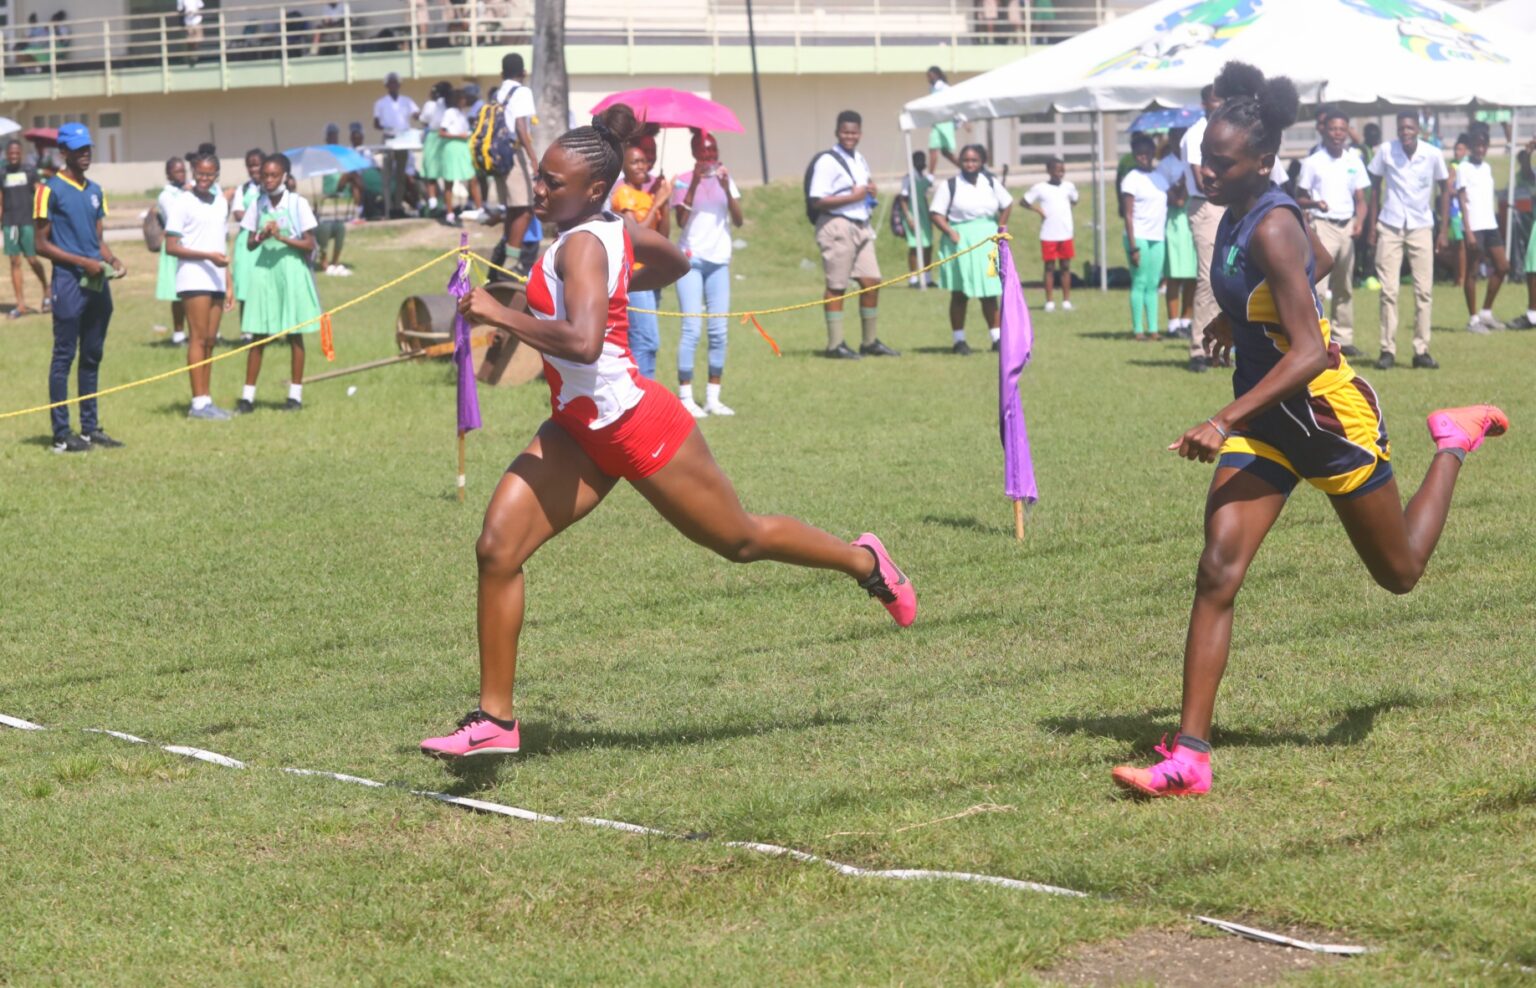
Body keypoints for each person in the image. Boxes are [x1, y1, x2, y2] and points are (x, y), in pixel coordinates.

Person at [420, 104, 917, 759]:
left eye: (552, 184)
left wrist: (500, 314)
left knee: (739, 541)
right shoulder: (602, 229)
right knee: (497, 549)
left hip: (633, 424)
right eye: (539, 177)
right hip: (577, 430)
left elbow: (585, 340)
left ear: (592, 190)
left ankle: (865, 561)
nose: (538, 190)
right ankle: (495, 721)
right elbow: (676, 261)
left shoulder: (586, 244)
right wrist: (504, 323)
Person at [1112, 62, 1508, 801]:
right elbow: (1315, 261)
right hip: (1267, 423)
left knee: (1400, 573)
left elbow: (1311, 351)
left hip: (1325, 419)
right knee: (1217, 569)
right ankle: (1190, 757)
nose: (1204, 168)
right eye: (1203, 155)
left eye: (1220, 161)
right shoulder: (1238, 209)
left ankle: (1453, 441)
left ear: (1259, 162)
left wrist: (1219, 416)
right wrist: (1241, 315)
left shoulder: (1269, 221)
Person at [35, 123, 127, 454]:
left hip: (97, 282)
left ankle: (90, 428)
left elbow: (96, 238)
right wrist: (79, 262)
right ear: (64, 152)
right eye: (78, 149)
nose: (85, 153)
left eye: (88, 147)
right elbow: (41, 244)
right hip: (68, 282)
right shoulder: (49, 190)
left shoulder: (96, 190)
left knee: (92, 354)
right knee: (64, 357)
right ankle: (61, 434)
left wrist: (112, 260)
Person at [808, 110, 898, 360]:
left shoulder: (859, 158)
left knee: (872, 281)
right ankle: (835, 345)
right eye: (846, 132)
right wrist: (854, 197)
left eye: (854, 132)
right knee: (837, 285)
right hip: (837, 225)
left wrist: (870, 192)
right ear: (837, 132)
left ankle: (869, 341)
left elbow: (861, 187)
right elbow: (817, 200)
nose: (850, 136)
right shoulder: (827, 161)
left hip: (861, 224)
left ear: (860, 133)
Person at [236, 153, 320, 414]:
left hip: (291, 271)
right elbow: (249, 244)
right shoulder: (258, 204)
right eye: (265, 176)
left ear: (284, 176)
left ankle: (295, 395)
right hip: (264, 271)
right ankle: (247, 397)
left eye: (274, 175)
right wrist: (262, 235)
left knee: (294, 335)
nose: (269, 180)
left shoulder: (297, 204)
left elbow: (309, 243)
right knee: (258, 334)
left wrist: (282, 238)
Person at [1368, 112, 1448, 371]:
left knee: (1423, 291)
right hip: (1391, 224)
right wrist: (1372, 226)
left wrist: (1443, 229)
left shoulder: (1433, 154)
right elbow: (1375, 186)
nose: (1406, 132)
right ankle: (1387, 349)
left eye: (1410, 127)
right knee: (1388, 291)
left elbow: (1445, 189)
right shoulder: (1385, 151)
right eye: (1402, 128)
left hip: (1421, 225)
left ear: (1418, 129)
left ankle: (1421, 350)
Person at [673, 129, 743, 416]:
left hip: (718, 261)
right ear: (694, 154)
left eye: (713, 151)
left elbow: (738, 220)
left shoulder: (726, 178)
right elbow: (680, 221)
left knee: (719, 331)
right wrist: (694, 185)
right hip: (690, 261)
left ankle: (713, 396)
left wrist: (726, 188)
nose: (710, 157)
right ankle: (685, 396)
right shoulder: (682, 179)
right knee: (692, 328)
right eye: (704, 152)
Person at [165, 152, 235, 420]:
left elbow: (221, 244)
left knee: (210, 341)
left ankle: (207, 399)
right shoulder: (183, 202)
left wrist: (229, 283)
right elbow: (172, 246)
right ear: (194, 172)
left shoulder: (220, 203)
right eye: (201, 174)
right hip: (194, 278)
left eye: (210, 174)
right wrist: (207, 256)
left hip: (216, 278)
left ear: (217, 175)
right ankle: (197, 403)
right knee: (197, 337)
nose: (205, 179)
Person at [1294, 110, 1369, 358]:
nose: (1338, 134)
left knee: (1344, 284)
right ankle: (1317, 337)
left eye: (1342, 129)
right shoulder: (1313, 162)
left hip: (1346, 225)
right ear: (1324, 130)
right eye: (1333, 129)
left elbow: (1361, 199)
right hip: (1322, 226)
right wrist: (1316, 205)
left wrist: (1360, 221)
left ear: (1347, 132)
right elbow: (1299, 197)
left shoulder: (1353, 161)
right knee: (1318, 285)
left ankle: (1343, 337)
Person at [929, 144, 1012, 355]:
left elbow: (1008, 204)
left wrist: (1000, 230)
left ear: (982, 162)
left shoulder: (990, 182)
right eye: (966, 160)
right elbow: (936, 213)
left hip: (987, 239)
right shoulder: (950, 185)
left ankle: (997, 338)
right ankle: (959, 340)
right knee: (960, 293)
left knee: (989, 292)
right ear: (960, 162)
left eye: (975, 160)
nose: (970, 164)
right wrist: (950, 231)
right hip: (960, 240)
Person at [610, 142, 670, 380]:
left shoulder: (647, 195)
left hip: (651, 274)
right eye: (635, 162)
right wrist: (657, 202)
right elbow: (635, 235)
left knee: (645, 341)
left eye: (644, 161)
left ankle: (643, 389)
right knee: (646, 340)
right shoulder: (623, 193)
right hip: (634, 275)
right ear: (624, 167)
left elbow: (663, 235)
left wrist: (663, 203)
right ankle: (644, 393)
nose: (641, 166)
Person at [1181, 83, 1225, 372]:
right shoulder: (1197, 133)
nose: (1220, 105)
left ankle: (1219, 347)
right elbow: (1202, 181)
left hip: (1225, 205)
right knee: (1208, 278)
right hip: (1206, 205)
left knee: (1226, 279)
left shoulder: (1222, 131)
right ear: (1205, 103)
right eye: (1215, 100)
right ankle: (1198, 348)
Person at [1454, 125, 1508, 335]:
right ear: (1470, 147)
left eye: (1484, 145)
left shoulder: (1486, 168)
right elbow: (1461, 199)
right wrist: (1467, 230)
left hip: (1490, 224)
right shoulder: (1463, 168)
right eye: (1477, 145)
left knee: (1503, 266)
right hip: (1474, 226)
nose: (1480, 149)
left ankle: (1486, 312)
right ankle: (1473, 318)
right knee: (1473, 271)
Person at [1120, 133, 1170, 341]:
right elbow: (1128, 214)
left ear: (1153, 153)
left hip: (1157, 236)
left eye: (1147, 153)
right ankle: (1138, 329)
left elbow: (1174, 199)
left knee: (1153, 283)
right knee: (1139, 281)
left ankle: (1154, 329)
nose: (1144, 157)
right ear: (1134, 156)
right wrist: (1133, 246)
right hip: (1138, 236)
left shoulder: (1159, 177)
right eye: (1139, 154)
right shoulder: (1131, 179)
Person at [492, 53, 539, 278]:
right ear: (524, 73)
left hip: (498, 154)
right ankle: (512, 261)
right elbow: (521, 126)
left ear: (502, 73)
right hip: (515, 153)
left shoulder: (498, 92)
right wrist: (533, 158)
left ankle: (504, 257)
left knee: (513, 208)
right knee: (525, 208)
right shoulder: (522, 91)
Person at [1023, 156, 1077, 313]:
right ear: (1049, 171)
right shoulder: (1040, 188)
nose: (1060, 173)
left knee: (1066, 266)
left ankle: (1066, 300)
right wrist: (1038, 209)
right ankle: (1049, 301)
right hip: (1048, 233)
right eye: (1056, 170)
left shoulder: (1068, 187)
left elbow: (1074, 200)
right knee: (1049, 267)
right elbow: (1024, 202)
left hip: (1065, 232)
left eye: (1062, 170)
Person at [4, 140, 48, 319]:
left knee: (31, 260)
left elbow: (40, 193)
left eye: (16, 153)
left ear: (20, 153)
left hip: (28, 222)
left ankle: (47, 288)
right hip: (9, 222)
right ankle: (20, 305)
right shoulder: (2, 172)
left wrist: (42, 218)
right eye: (10, 153)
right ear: (7, 154)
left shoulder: (30, 171)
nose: (13, 156)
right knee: (14, 262)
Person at [1157, 132, 1196, 335]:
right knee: (1174, 274)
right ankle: (1173, 323)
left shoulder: (1195, 159)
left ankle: (1186, 320)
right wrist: (1184, 181)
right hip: (1174, 220)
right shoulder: (1165, 165)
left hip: (1193, 218)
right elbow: (1175, 199)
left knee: (1193, 274)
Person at [373, 72, 420, 216]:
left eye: (396, 82)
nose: (393, 85)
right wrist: (387, 128)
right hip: (388, 138)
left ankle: (398, 207)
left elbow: (416, 114)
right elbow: (376, 123)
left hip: (403, 139)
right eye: (391, 83)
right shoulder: (380, 103)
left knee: (401, 175)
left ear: (399, 85)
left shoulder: (406, 101)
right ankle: (388, 208)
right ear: (387, 85)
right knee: (387, 175)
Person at [436, 88, 484, 226]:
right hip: (452, 148)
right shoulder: (449, 113)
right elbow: (442, 132)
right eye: (463, 98)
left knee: (472, 178)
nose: (465, 100)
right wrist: (458, 136)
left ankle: (480, 209)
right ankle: (450, 214)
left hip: (464, 147)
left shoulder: (462, 113)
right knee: (449, 181)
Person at [155, 158, 189, 346]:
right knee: (178, 294)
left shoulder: (186, 192)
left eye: (183, 171)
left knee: (191, 291)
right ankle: (178, 333)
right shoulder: (166, 196)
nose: (182, 175)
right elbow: (175, 217)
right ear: (168, 174)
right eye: (177, 172)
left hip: (189, 245)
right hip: (175, 245)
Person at [897, 150, 935, 289]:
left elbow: (924, 196)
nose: (921, 163)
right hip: (912, 215)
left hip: (924, 215)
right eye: (918, 160)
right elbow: (903, 199)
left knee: (928, 246)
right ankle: (913, 279)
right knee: (914, 247)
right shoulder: (908, 178)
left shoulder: (923, 178)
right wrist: (909, 218)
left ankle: (927, 277)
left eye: (922, 160)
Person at [925, 67, 959, 174]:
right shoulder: (932, 88)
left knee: (940, 150)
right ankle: (931, 175)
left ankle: (930, 175)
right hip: (937, 122)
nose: (928, 79)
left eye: (930, 76)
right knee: (938, 150)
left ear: (936, 75)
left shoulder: (944, 87)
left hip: (945, 122)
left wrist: (960, 119)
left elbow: (954, 103)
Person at [178, 0, 205, 65]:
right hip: (188, 23)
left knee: (197, 41)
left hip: (197, 21)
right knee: (189, 42)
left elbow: (201, 7)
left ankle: (195, 57)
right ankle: (190, 59)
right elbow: (180, 10)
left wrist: (197, 12)